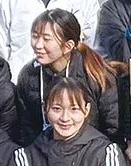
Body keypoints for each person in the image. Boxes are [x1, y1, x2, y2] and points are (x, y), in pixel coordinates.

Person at [12, 9, 124, 146]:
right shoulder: (29, 74)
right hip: (44, 152)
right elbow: (27, 127)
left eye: (47, 39)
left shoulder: (94, 74)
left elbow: (113, 127)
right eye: (35, 36)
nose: (38, 45)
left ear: (68, 46)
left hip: (90, 153)